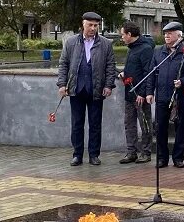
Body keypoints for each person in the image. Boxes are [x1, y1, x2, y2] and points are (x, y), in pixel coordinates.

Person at [56, 11, 117, 166]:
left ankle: (94, 155)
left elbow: (110, 66)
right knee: (77, 123)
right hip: (76, 88)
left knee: (95, 124)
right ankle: (77, 155)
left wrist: (109, 85)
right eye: (90, 25)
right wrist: (62, 84)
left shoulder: (105, 44)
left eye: (96, 25)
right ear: (83, 24)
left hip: (96, 89)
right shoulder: (71, 43)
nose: (93, 28)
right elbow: (63, 64)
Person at [151, 22, 184, 168]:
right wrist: (149, 92)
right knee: (160, 127)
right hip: (162, 96)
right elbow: (152, 73)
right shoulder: (159, 52)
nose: (166, 36)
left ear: (179, 35)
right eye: (165, 33)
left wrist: (183, 81)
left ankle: (178, 157)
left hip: (180, 97)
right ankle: (162, 157)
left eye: (170, 33)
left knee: (180, 127)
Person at [118, 22, 154, 164]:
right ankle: (131, 151)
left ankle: (146, 152)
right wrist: (124, 74)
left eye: (123, 34)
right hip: (129, 92)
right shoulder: (131, 48)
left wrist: (143, 93)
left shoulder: (145, 49)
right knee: (129, 123)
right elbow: (132, 68)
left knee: (144, 123)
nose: (121, 37)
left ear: (129, 35)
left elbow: (148, 73)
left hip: (140, 95)